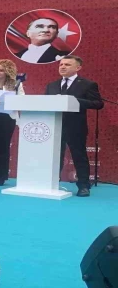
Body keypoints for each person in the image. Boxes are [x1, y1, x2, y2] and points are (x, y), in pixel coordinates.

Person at [45, 55, 103, 197]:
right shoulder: (52, 85)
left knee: (79, 156)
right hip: (54, 126)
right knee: (54, 156)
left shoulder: (87, 84)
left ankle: (83, 186)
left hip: (75, 127)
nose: (63, 67)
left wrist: (73, 100)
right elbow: (45, 103)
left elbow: (98, 103)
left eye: (67, 65)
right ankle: (51, 183)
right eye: (61, 64)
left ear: (78, 68)